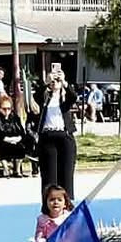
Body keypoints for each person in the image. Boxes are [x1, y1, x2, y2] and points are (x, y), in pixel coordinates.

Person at [31, 68, 78, 207]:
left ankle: (67, 205)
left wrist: (64, 82)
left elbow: (73, 97)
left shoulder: (65, 99)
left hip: (64, 136)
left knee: (66, 174)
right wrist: (47, 81)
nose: (55, 83)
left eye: (56, 81)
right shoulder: (45, 98)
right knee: (49, 176)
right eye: (54, 81)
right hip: (48, 137)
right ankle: (49, 206)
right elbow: (36, 96)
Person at [0, 93, 32, 177]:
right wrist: (7, 139)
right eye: (4, 109)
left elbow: (21, 131)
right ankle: (6, 169)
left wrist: (18, 138)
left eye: (9, 108)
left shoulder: (14, 117)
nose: (7, 111)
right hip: (1, 141)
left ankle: (17, 170)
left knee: (21, 147)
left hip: (15, 140)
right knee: (3, 147)